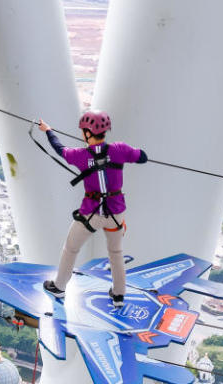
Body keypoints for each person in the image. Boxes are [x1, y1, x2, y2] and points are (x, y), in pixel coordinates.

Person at [38, 111, 147, 308]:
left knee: (71, 248)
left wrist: (48, 131)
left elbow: (59, 149)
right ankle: (119, 295)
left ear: (88, 133)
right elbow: (142, 157)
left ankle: (60, 286)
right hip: (116, 213)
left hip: (91, 212)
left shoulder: (79, 156)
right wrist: (127, 154)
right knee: (116, 252)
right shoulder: (120, 149)